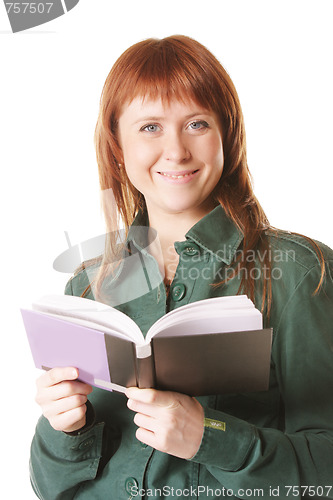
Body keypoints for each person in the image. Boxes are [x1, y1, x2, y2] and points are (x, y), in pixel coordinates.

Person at [30, 35, 333, 500]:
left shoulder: (298, 273)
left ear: (226, 135)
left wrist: (209, 436)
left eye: (196, 124)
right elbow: (50, 489)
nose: (175, 151)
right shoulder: (89, 284)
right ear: (117, 146)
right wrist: (64, 427)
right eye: (150, 127)